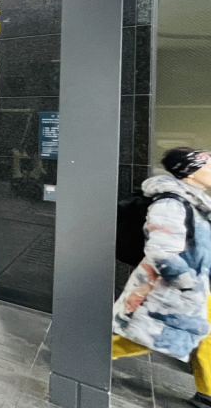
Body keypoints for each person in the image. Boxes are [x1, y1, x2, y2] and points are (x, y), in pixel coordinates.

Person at [112, 147, 211, 407]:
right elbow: (161, 251)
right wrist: (189, 285)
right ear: (189, 173)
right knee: (135, 338)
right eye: (207, 166)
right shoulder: (171, 202)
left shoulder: (196, 200)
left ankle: (208, 392)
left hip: (198, 285)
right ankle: (83, 355)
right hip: (170, 289)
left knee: (205, 336)